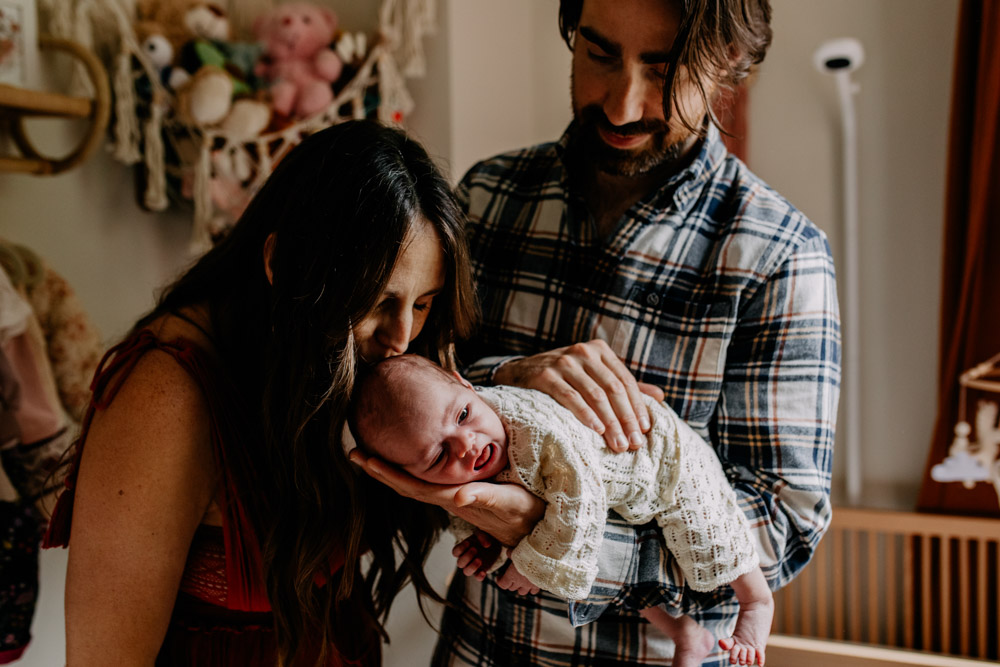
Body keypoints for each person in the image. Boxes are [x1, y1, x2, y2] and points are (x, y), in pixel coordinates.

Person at [351, 1, 840, 665]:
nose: (619, 104)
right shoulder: (487, 199)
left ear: (729, 62)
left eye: (663, 68)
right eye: (599, 53)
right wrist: (506, 377)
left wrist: (543, 532)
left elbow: (783, 522)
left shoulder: (781, 257)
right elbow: (413, 375)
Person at [40, 119, 509, 666]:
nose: (402, 337)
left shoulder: (364, 366)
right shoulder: (165, 397)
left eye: (422, 302)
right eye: (378, 301)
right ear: (283, 265)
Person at [351, 354, 773, 667]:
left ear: (467, 384)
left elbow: (581, 501)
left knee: (708, 533)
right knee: (618, 583)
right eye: (439, 454)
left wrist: (532, 563)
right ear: (411, 477)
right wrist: (482, 545)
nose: (467, 445)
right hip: (616, 495)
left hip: (661, 455)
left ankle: (755, 603)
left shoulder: (536, 431)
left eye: (463, 414)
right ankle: (686, 634)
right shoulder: (464, 464)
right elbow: (473, 511)